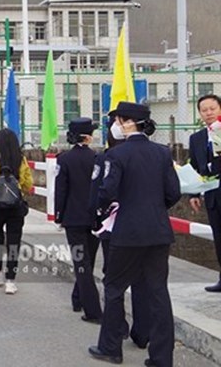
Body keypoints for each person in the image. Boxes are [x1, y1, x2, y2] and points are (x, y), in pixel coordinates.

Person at [89, 102, 180, 367]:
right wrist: (153, 209)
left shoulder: (117, 155)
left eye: (118, 120)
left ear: (127, 122)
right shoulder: (162, 153)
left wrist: (104, 212)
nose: (115, 125)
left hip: (127, 232)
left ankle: (110, 347)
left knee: (114, 287)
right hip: (158, 231)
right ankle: (162, 358)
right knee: (158, 292)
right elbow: (173, 192)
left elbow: (106, 192)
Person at [54, 118, 102, 323]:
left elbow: (61, 189)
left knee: (81, 263)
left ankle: (90, 308)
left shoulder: (64, 159)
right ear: (88, 137)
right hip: (94, 218)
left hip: (73, 218)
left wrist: (58, 215)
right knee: (88, 261)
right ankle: (81, 301)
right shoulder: (98, 158)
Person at [0, 128, 33, 295]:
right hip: (16, 205)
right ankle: (11, 280)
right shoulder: (21, 159)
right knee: (14, 241)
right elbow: (28, 183)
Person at [188, 94, 221, 292]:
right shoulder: (197, 138)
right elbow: (194, 168)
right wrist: (193, 194)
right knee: (218, 237)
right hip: (212, 196)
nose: (208, 113)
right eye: (204, 110)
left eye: (212, 109)